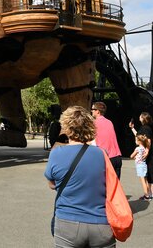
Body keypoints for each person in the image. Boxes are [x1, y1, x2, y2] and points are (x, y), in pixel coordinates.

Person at [44, 106, 115, 248]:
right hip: (101, 223)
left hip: (68, 223)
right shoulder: (102, 153)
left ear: (66, 127)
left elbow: (52, 184)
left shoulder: (56, 153)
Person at [128, 112, 153, 199]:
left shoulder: (146, 128)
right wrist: (132, 128)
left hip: (149, 152)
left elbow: (148, 140)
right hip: (148, 151)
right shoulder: (145, 128)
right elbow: (140, 137)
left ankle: (151, 192)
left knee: (150, 171)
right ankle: (151, 192)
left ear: (143, 118)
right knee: (149, 171)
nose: (139, 117)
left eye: (140, 116)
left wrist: (147, 151)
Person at [92, 101, 122, 179]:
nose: (91, 111)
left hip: (106, 158)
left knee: (104, 188)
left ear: (97, 111)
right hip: (117, 157)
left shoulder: (94, 124)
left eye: (93, 109)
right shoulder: (109, 122)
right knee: (115, 188)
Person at [130, 134, 150, 200]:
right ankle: (148, 193)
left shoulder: (138, 148)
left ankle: (146, 195)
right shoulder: (144, 148)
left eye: (136, 140)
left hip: (139, 166)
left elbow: (131, 156)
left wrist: (134, 157)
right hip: (144, 165)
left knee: (142, 181)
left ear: (139, 141)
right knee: (146, 180)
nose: (135, 141)